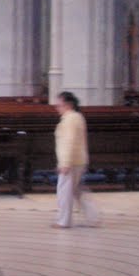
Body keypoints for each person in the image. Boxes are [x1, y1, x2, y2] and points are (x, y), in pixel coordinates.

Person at [52, 91, 100, 229]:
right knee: (77, 191)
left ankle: (63, 221)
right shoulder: (77, 117)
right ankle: (93, 218)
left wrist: (65, 163)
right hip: (78, 160)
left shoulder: (70, 119)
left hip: (71, 162)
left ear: (68, 104)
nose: (57, 108)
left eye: (59, 105)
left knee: (64, 192)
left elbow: (69, 142)